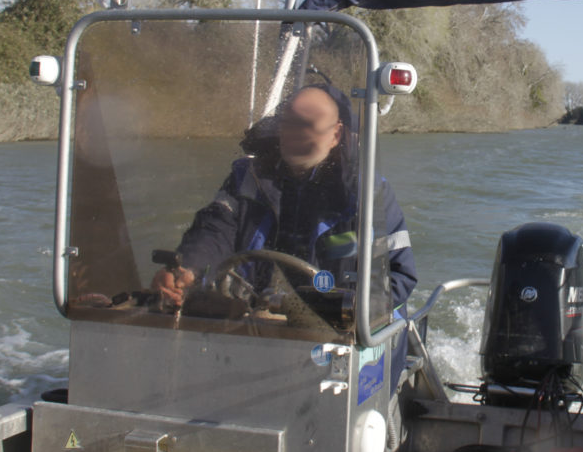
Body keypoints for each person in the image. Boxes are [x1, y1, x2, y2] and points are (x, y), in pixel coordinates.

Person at [150, 83, 417, 314]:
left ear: (336, 134)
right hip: (253, 326)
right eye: (288, 124)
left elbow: (398, 275)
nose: (293, 135)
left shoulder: (366, 193)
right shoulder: (247, 177)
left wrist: (353, 312)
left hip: (341, 337)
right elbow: (215, 231)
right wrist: (188, 268)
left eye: (307, 127)